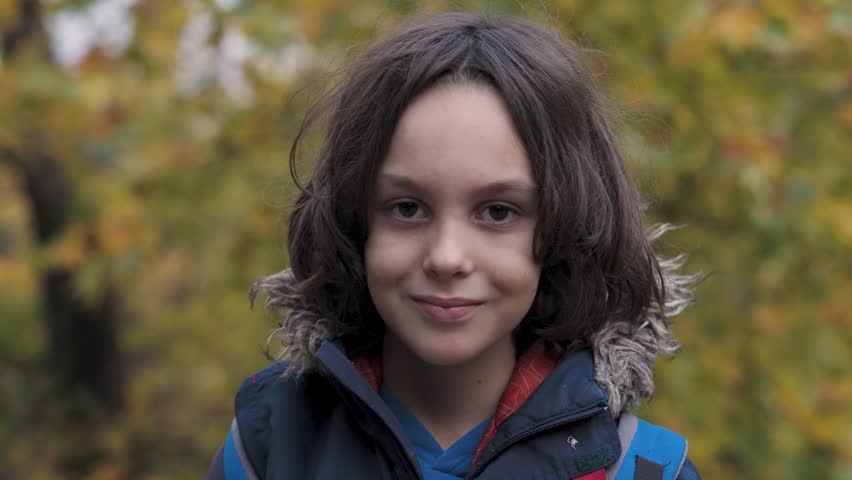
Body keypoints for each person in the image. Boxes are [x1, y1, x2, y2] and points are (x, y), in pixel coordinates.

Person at [207, 12, 701, 480]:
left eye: (498, 212)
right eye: (407, 208)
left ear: (564, 229)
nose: (446, 257)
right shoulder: (267, 449)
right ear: (353, 220)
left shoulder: (642, 469)